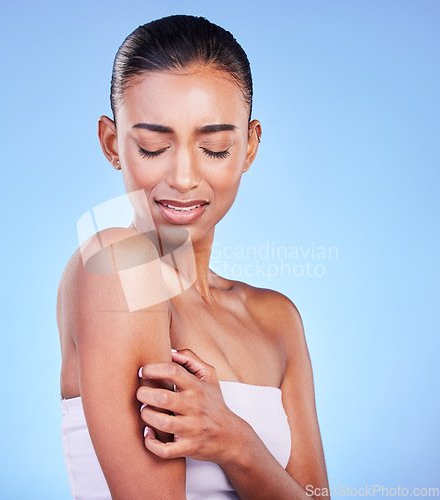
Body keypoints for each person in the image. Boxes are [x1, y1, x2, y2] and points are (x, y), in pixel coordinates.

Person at [57, 14, 330, 500]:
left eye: (214, 147)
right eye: (153, 146)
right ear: (111, 143)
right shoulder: (117, 264)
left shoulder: (277, 319)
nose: (183, 176)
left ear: (249, 146)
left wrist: (237, 442)